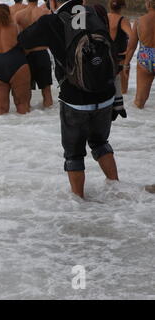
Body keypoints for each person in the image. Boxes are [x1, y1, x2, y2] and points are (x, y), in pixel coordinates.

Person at [18, 0, 124, 199]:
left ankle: (79, 203)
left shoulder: (51, 21)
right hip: (105, 94)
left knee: (74, 154)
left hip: (74, 99)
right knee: (101, 143)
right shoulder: (95, 13)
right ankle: (117, 188)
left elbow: (23, 40)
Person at [0, 4, 30, 115]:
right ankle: (23, 132)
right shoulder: (17, 28)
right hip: (17, 65)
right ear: (9, 14)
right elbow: (27, 49)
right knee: (22, 106)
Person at [15, 0, 53, 108]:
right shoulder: (45, 13)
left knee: (26, 92)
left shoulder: (19, 15)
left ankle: (28, 119)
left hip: (26, 55)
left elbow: (17, 37)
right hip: (42, 54)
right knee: (46, 91)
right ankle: (48, 118)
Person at [124, 0, 155, 109]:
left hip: (145, 59)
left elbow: (131, 47)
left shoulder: (139, 21)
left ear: (149, 4)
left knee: (139, 101)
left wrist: (126, 65)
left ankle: (136, 118)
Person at [108, 0, 132, 96]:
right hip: (120, 55)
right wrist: (129, 50)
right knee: (123, 90)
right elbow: (132, 36)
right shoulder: (123, 20)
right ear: (122, 7)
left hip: (106, 53)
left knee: (107, 84)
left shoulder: (104, 16)